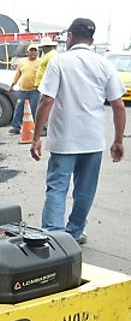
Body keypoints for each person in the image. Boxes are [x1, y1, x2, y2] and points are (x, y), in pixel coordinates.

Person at [30, 18, 126, 245]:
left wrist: (36, 137)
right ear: (92, 41)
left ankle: (54, 237)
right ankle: (73, 233)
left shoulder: (59, 62)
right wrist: (118, 140)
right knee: (85, 189)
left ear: (70, 37)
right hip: (93, 141)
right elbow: (119, 105)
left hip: (64, 140)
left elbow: (46, 100)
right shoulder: (104, 64)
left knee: (57, 188)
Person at [8, 44, 41, 134]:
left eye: (35, 51)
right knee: (19, 108)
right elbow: (17, 75)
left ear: (37, 52)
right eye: (31, 51)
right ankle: (15, 127)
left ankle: (36, 128)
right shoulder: (22, 62)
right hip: (22, 90)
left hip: (34, 90)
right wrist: (12, 85)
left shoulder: (40, 62)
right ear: (28, 52)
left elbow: (43, 75)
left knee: (34, 110)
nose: (33, 52)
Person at [34, 36, 58, 136]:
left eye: (43, 47)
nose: (42, 49)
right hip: (44, 85)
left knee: (45, 106)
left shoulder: (52, 55)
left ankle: (44, 127)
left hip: (47, 86)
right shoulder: (49, 55)